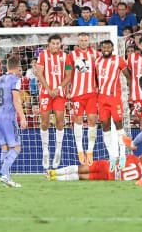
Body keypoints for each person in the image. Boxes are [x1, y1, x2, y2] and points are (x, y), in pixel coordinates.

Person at [61, 33, 98, 165]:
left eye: (85, 40)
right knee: (78, 120)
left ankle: (90, 150)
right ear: (78, 41)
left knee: (92, 121)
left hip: (91, 93)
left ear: (88, 41)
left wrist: (99, 86)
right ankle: (80, 150)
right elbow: (67, 72)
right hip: (76, 94)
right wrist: (66, 90)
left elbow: (98, 72)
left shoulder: (94, 54)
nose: (83, 42)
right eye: (81, 40)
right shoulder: (71, 55)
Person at [94, 39, 131, 171]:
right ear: (101, 49)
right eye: (104, 47)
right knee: (105, 127)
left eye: (108, 47)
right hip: (102, 100)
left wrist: (130, 91)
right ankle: (112, 157)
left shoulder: (118, 60)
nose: (106, 49)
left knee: (119, 126)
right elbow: (95, 78)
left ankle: (122, 155)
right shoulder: (97, 61)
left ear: (112, 48)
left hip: (115, 99)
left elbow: (128, 76)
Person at [0, 56, 28, 188]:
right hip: (8, 116)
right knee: (16, 148)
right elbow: (16, 100)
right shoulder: (16, 80)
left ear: (7, 66)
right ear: (18, 67)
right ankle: (2, 173)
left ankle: (6, 179)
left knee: (5, 147)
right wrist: (22, 117)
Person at [35, 34, 67, 170]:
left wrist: (58, 88)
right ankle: (45, 151)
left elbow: (69, 75)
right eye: (53, 43)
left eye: (57, 43)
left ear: (60, 44)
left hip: (59, 93)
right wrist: (48, 89)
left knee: (60, 121)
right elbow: (39, 74)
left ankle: (58, 151)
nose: (55, 46)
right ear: (49, 44)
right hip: (45, 93)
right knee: (44, 122)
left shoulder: (66, 57)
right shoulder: (43, 55)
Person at [47, 154, 142, 181]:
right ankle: (55, 178)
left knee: (81, 168)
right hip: (109, 177)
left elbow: (119, 159)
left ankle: (54, 172)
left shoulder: (134, 158)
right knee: (81, 177)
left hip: (106, 166)